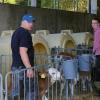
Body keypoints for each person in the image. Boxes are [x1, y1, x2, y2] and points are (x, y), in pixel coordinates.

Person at [11, 14, 37, 100]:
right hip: (24, 69)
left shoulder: (16, 32)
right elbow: (22, 51)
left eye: (32, 22)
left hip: (15, 67)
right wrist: (29, 68)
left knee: (16, 92)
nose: (31, 24)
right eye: (29, 22)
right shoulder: (25, 33)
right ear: (23, 22)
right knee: (30, 90)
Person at [92, 17, 100, 95]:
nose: (93, 25)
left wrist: (93, 52)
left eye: (95, 23)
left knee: (98, 72)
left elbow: (97, 44)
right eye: (92, 23)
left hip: (99, 54)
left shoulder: (98, 31)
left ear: (98, 24)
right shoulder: (97, 31)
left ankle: (99, 91)